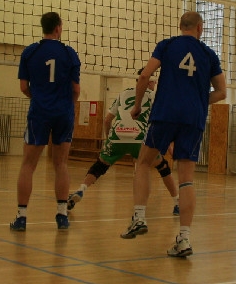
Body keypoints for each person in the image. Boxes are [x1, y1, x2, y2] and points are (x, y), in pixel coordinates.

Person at [122, 11, 226, 257]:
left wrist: (137, 106)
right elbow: (222, 92)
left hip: (165, 113)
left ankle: (139, 217)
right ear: (200, 28)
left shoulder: (167, 45)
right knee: (186, 178)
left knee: (144, 162)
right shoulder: (209, 54)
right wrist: (197, 102)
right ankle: (184, 239)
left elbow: (145, 75)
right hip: (193, 119)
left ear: (181, 26)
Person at [69, 70, 180, 214]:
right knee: (162, 167)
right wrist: (169, 145)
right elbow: (161, 123)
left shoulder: (123, 93)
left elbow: (107, 120)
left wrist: (109, 139)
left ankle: (81, 189)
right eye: (154, 81)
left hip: (117, 135)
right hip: (140, 138)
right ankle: (176, 202)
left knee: (100, 165)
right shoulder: (153, 96)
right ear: (150, 81)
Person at [9, 12, 81, 231]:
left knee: (28, 164)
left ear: (44, 28)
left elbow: (23, 87)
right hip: (63, 113)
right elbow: (76, 90)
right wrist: (66, 105)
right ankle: (62, 216)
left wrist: (40, 98)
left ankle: (22, 218)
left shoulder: (30, 52)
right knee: (61, 164)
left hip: (39, 112)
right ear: (58, 28)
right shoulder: (69, 53)